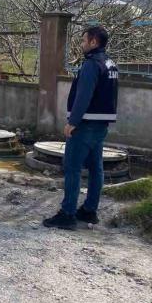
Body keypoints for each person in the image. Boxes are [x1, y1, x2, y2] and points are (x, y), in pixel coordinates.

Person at [43, 25, 119, 230]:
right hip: (101, 125)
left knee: (72, 167)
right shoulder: (110, 64)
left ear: (94, 41)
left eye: (84, 40)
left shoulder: (92, 64)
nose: (82, 44)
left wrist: (73, 122)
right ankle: (89, 210)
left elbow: (83, 96)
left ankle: (67, 214)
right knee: (96, 168)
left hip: (85, 125)